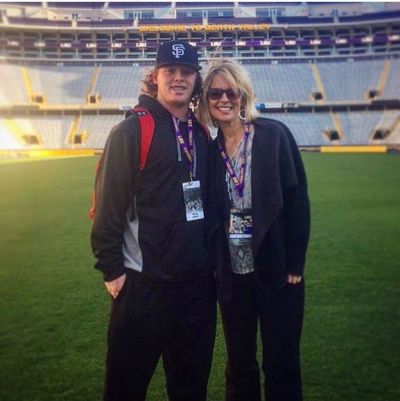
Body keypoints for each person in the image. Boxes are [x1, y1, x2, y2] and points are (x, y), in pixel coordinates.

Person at [91, 40, 216, 401]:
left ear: (196, 81)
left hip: (196, 290)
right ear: (155, 76)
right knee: (125, 390)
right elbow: (108, 206)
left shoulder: (202, 133)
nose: (179, 78)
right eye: (170, 71)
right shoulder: (132, 131)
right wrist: (112, 271)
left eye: (187, 72)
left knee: (191, 390)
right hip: (144, 288)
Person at [198, 58, 311, 401]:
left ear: (242, 94)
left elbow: (297, 202)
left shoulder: (274, 136)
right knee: (240, 363)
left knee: (282, 363)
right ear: (206, 100)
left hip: (277, 271)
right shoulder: (208, 151)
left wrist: (295, 264)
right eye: (215, 93)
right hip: (234, 279)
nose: (223, 99)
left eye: (230, 91)